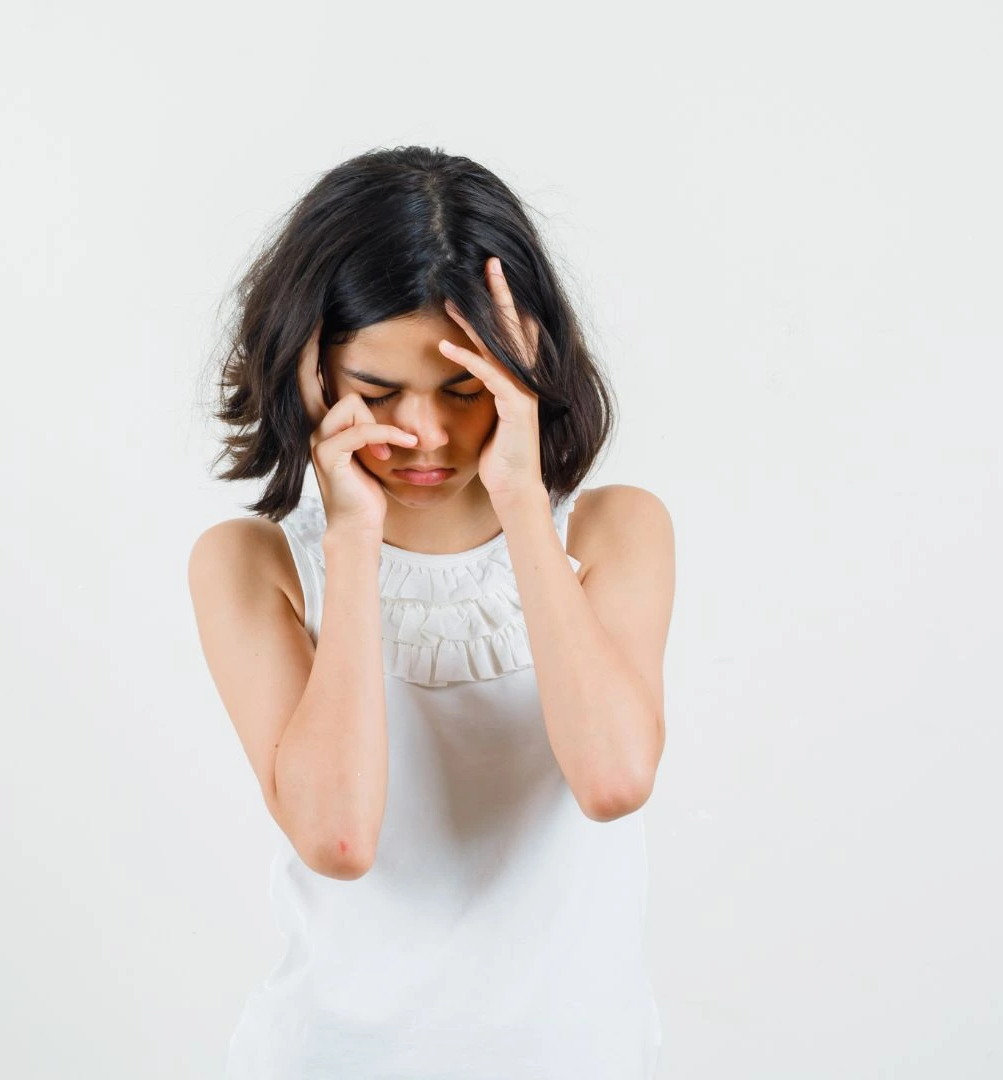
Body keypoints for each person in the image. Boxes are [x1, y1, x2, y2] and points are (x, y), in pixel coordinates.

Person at [188, 146, 676, 1079]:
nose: (425, 434)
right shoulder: (251, 565)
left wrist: (523, 501)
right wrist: (352, 539)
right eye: (377, 393)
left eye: (465, 390)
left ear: (526, 369)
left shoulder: (616, 531)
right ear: (311, 375)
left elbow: (613, 778)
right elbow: (337, 838)